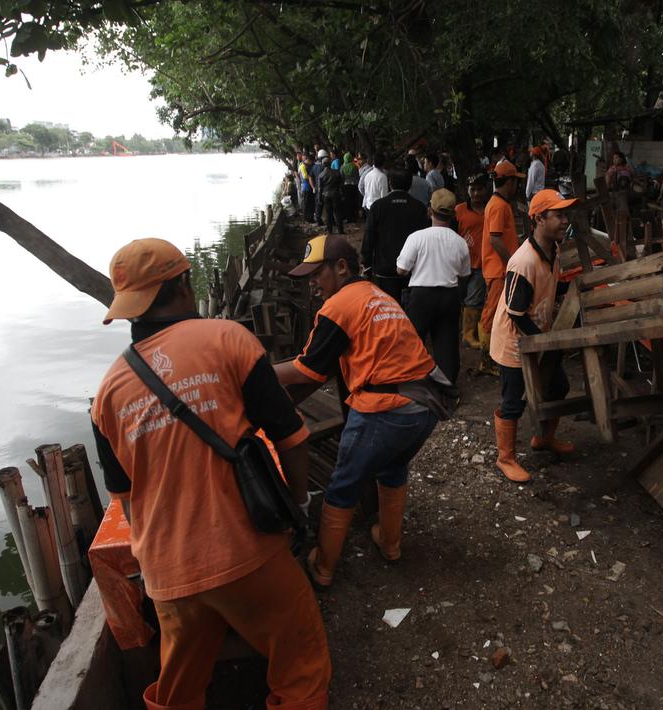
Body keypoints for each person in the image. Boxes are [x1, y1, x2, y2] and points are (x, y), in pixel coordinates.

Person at [90, 238, 331, 710]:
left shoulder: (107, 393)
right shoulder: (227, 339)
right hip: (247, 552)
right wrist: (298, 507)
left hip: (166, 574)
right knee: (300, 666)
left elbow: (125, 499)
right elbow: (292, 439)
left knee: (178, 691)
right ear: (184, 285)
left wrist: (158, 557)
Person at [276, 235, 441, 588]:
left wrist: (258, 370)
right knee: (393, 466)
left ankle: (323, 567)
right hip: (426, 406)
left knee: (343, 483)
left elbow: (308, 370)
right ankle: (390, 543)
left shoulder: (338, 307)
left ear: (340, 267)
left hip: (385, 409)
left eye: (316, 274)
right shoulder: (378, 296)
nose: (313, 284)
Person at [488, 189, 578, 483]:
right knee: (514, 400)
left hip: (538, 336)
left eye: (566, 214)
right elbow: (515, 312)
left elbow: (548, 288)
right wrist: (541, 343)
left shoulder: (553, 249)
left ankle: (543, 438)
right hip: (516, 342)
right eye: (559, 215)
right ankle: (506, 458)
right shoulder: (524, 261)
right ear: (539, 218)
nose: (565, 221)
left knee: (558, 386)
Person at [397, 189, 471, 383]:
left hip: (421, 296)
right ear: (453, 214)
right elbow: (464, 274)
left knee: (413, 342)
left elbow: (401, 270)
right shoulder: (460, 243)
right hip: (449, 296)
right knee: (447, 344)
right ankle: (446, 387)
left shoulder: (417, 238)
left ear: (430, 210)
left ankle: (410, 382)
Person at [478, 159, 524, 376]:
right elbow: (495, 239)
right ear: (510, 182)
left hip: (499, 267)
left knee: (494, 312)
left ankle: (490, 358)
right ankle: (486, 361)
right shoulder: (498, 205)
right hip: (498, 269)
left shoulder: (500, 204)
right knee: (490, 313)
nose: (518, 186)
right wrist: (511, 263)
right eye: (516, 181)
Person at [361, 168, 430, 303]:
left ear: (389, 183)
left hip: (384, 270)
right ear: (410, 184)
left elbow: (369, 236)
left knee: (388, 312)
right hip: (412, 271)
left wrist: (366, 263)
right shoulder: (419, 207)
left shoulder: (378, 206)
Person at [455, 173, 490, 348]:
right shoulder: (459, 210)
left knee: (473, 299)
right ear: (467, 189)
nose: (476, 193)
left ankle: (468, 335)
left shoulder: (491, 209)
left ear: (486, 189)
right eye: (473, 189)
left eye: (479, 189)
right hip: (460, 263)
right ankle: (462, 330)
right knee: (460, 297)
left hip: (481, 264)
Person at [317, 155, 344, 234]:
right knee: (338, 212)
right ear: (330, 163)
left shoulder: (321, 175)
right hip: (336, 194)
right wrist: (342, 194)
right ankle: (340, 230)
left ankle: (330, 231)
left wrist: (319, 199)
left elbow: (320, 189)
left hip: (326, 196)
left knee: (328, 214)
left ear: (323, 164)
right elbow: (341, 185)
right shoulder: (337, 172)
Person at [340, 151, 361, 222]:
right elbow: (357, 176)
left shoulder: (342, 167)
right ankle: (355, 217)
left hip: (346, 187)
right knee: (354, 201)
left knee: (347, 203)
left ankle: (349, 217)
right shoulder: (355, 166)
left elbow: (341, 178)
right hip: (354, 186)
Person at [312, 149, 327, 226]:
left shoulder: (314, 167)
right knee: (326, 204)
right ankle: (329, 221)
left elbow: (310, 177)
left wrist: (313, 187)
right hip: (324, 188)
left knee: (318, 204)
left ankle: (319, 221)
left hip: (317, 188)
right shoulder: (323, 167)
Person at [299, 154, 316, 223]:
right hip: (306, 187)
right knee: (306, 204)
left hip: (309, 187)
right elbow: (305, 176)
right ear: (308, 160)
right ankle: (306, 219)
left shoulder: (307, 166)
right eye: (311, 161)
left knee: (311, 204)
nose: (311, 163)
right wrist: (311, 176)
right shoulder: (302, 166)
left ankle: (310, 218)